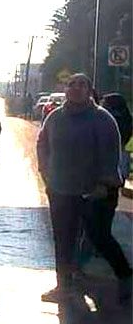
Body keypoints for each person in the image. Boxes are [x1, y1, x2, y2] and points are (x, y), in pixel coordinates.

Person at [37, 74, 131, 303]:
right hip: (62, 189)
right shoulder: (55, 117)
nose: (76, 88)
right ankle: (63, 286)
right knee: (64, 238)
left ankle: (126, 276)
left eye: (82, 85)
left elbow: (111, 153)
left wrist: (103, 184)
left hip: (97, 192)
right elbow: (43, 143)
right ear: (66, 89)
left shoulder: (102, 119)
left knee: (99, 237)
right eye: (72, 84)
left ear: (90, 90)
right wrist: (46, 173)